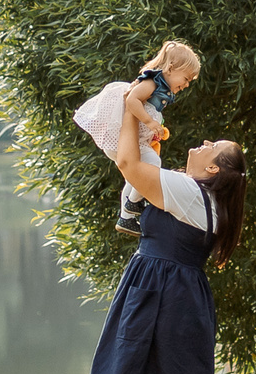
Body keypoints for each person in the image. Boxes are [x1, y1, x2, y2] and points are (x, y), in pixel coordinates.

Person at [77, 118, 248, 374]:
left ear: (213, 171)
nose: (203, 141)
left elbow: (126, 163)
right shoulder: (190, 190)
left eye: (213, 144)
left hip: (170, 294)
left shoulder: (191, 192)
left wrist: (131, 115)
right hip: (162, 288)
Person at [71, 40, 201, 236]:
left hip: (137, 142)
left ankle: (127, 217)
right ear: (171, 68)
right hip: (121, 140)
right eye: (186, 78)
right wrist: (149, 122)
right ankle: (132, 203)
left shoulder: (161, 87)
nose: (187, 84)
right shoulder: (151, 82)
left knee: (138, 175)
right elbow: (131, 99)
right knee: (150, 168)